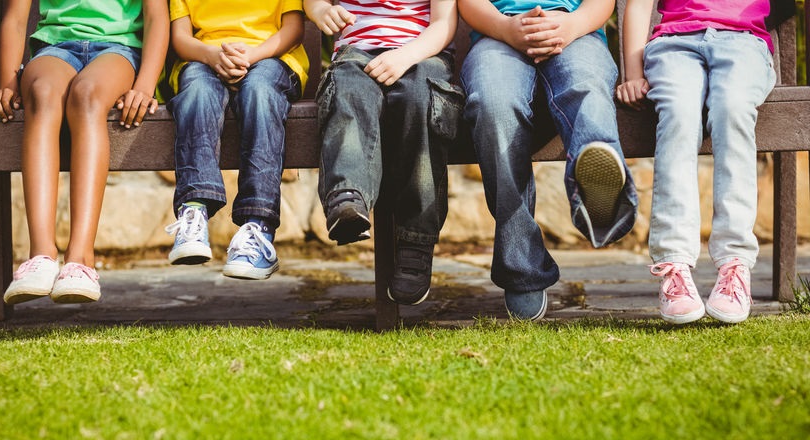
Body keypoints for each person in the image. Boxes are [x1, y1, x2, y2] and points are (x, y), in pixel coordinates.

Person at [0, 0, 168, 305]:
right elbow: (15, 19)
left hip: (118, 49)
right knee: (41, 93)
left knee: (87, 94)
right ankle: (41, 256)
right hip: (55, 49)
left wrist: (145, 86)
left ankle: (80, 259)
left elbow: (156, 15)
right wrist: (8, 85)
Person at [458, 0, 638, 321]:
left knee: (585, 87)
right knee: (493, 106)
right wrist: (505, 28)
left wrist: (573, 25)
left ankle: (597, 191)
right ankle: (522, 266)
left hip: (576, 31)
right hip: (499, 36)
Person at [616, 0, 776, 324]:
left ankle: (735, 263)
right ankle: (673, 266)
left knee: (732, 109)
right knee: (679, 114)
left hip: (743, 41)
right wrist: (632, 73)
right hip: (674, 45)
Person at [303, 0, 465, 305]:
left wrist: (404, 56)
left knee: (420, 102)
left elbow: (443, 23)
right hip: (357, 55)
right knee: (348, 93)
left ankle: (415, 241)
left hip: (422, 56)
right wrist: (321, 11)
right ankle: (347, 198)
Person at [163, 0, 309, 281]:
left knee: (260, 93)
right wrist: (210, 55)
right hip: (203, 60)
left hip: (272, 60)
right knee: (197, 94)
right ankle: (194, 212)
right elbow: (181, 37)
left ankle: (258, 225)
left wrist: (251, 56)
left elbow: (293, 29)